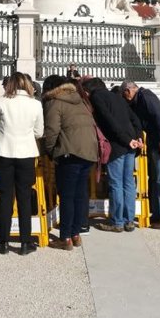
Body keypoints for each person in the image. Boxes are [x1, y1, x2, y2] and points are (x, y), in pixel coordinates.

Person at [0, 72, 44, 255]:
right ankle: (25, 242)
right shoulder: (35, 104)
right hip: (26, 152)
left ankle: (3, 242)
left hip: (4, 151)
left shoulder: (1, 101)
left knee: (5, 196)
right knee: (25, 197)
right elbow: (39, 132)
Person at [42, 75, 98, 250]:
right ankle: (75, 233)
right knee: (79, 194)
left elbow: (51, 131)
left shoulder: (54, 102)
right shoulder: (80, 100)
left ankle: (65, 237)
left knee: (66, 196)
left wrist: (51, 151)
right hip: (88, 151)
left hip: (69, 152)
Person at [83, 77, 142, 233]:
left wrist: (126, 139)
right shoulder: (116, 97)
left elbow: (109, 121)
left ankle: (117, 221)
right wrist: (137, 137)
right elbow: (134, 118)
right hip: (130, 144)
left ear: (88, 91)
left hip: (117, 145)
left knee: (116, 184)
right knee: (128, 182)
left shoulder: (96, 97)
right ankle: (129, 220)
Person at [121, 80, 160, 229]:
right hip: (155, 142)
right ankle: (159, 214)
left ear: (129, 91)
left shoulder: (146, 96)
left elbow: (159, 117)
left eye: (124, 94)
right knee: (157, 178)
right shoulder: (139, 99)